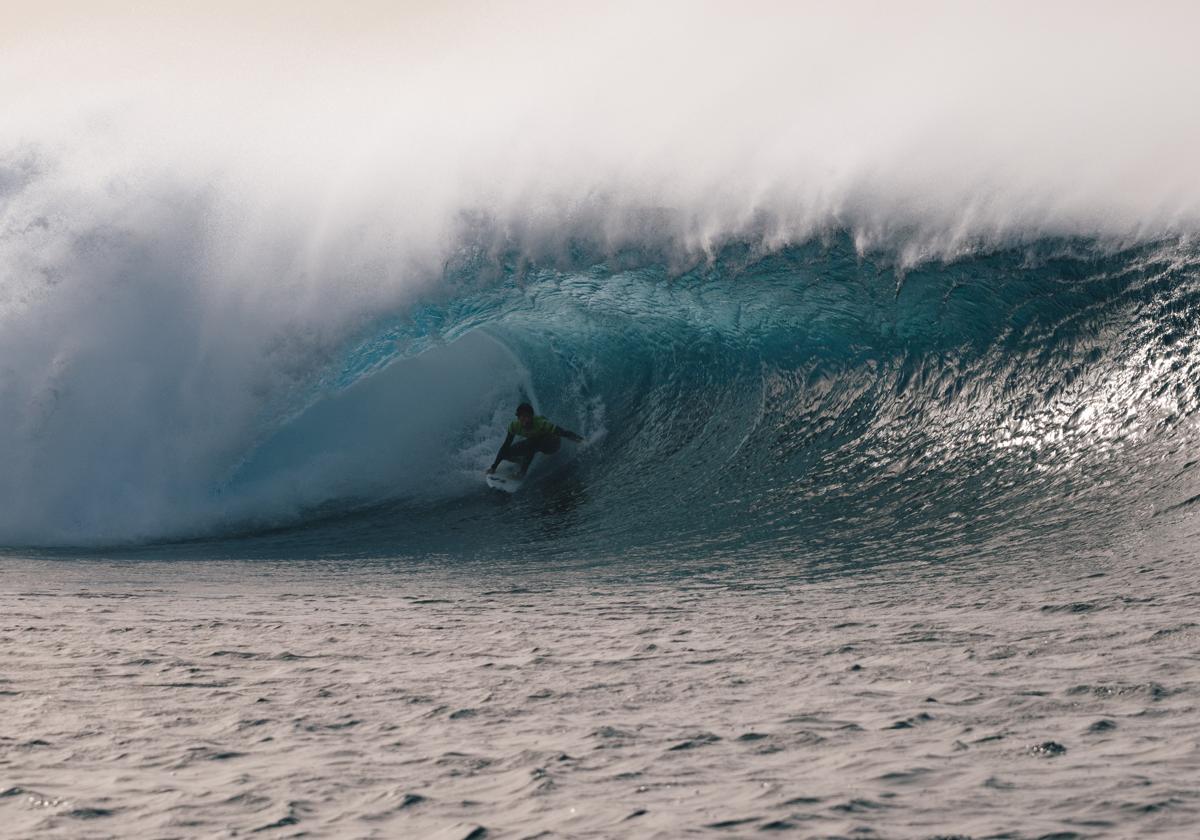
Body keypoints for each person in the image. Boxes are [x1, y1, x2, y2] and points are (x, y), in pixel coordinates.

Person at [487, 402, 584, 478]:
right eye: (521, 416)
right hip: (534, 444)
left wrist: (581, 441)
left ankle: (522, 473)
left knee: (531, 443)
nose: (524, 419)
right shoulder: (514, 426)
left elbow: (564, 433)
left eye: (526, 416)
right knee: (506, 452)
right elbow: (505, 445)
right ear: (518, 417)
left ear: (531, 416)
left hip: (552, 445)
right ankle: (521, 461)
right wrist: (493, 467)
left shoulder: (541, 423)